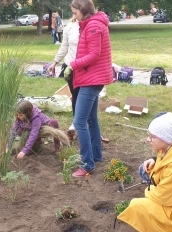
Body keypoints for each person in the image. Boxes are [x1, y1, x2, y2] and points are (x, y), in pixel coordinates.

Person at [118, 112, 172, 231]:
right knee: (143, 170)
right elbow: (167, 159)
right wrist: (154, 160)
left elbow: (162, 197)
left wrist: (148, 190)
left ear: (167, 137)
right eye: (148, 135)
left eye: (152, 137)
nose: (148, 139)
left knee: (136, 206)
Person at [69, 0, 112, 177]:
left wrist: (72, 65)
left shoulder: (93, 26)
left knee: (79, 122)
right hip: (91, 77)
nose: (74, 16)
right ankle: (96, 155)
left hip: (92, 79)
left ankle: (87, 164)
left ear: (83, 10)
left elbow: (94, 55)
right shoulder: (91, 24)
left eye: (75, 12)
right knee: (91, 120)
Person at [47, 16, 80, 131]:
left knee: (85, 97)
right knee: (75, 95)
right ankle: (75, 122)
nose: (75, 14)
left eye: (77, 11)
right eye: (73, 12)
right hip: (70, 68)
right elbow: (64, 47)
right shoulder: (70, 27)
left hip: (85, 68)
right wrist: (55, 62)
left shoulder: (89, 25)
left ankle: (85, 123)